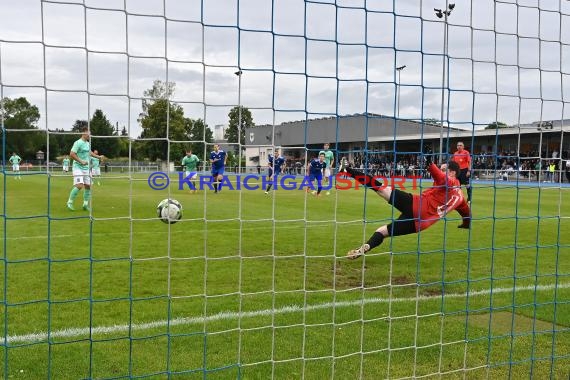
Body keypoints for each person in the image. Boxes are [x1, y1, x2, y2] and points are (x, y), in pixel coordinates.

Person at [338, 157, 471, 259]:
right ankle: (363, 248)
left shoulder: (450, 181)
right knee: (383, 231)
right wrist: (466, 224)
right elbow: (467, 214)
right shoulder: (460, 198)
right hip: (421, 224)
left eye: (444, 169)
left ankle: (347, 170)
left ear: (452, 173)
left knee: (380, 188)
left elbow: (442, 179)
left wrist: (431, 166)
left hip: (417, 205)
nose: (442, 172)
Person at [67, 127, 104, 211]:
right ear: (84, 133)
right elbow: (72, 154)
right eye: (88, 133)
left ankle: (85, 205)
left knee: (88, 186)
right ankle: (69, 202)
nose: (89, 135)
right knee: (80, 186)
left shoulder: (88, 143)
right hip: (77, 167)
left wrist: (98, 157)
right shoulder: (77, 143)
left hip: (86, 169)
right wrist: (81, 161)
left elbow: (89, 152)